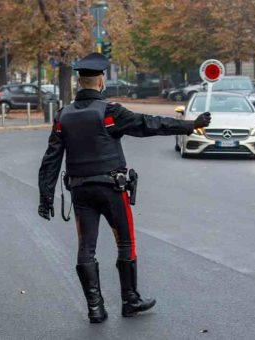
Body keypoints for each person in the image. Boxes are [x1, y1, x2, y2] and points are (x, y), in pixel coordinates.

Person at [38, 53, 211, 323]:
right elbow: (148, 124)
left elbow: (51, 159)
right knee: (126, 242)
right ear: (101, 81)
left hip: (81, 192)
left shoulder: (64, 116)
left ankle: (95, 309)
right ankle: (130, 300)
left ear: (80, 83)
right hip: (111, 189)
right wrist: (191, 125)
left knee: (86, 248)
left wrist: (45, 197)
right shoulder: (109, 113)